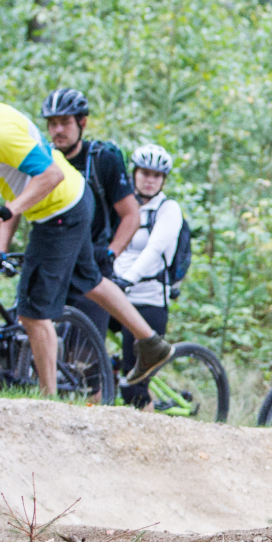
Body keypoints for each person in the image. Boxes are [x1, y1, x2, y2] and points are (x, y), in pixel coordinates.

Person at [0, 59, 172, 395]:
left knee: (32, 311)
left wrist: (10, 210)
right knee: (89, 280)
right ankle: (150, 342)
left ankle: (47, 398)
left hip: (60, 208)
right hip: (67, 202)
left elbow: (51, 175)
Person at [33, 87, 139, 334]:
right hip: (51, 259)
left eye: (65, 123)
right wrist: (1, 249)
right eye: (52, 123)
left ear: (82, 123)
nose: (58, 130)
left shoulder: (104, 159)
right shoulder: (40, 159)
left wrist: (111, 253)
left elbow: (131, 214)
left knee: (83, 355)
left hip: (93, 261)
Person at [110, 144, 183, 406]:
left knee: (134, 387)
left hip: (148, 298)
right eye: (145, 173)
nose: (150, 180)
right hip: (116, 294)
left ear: (163, 179)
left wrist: (129, 278)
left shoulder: (169, 210)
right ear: (134, 174)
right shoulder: (121, 207)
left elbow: (154, 250)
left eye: (156, 175)